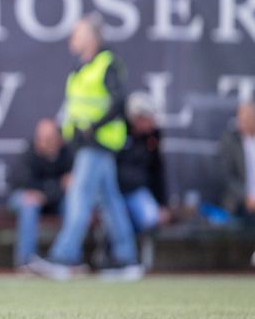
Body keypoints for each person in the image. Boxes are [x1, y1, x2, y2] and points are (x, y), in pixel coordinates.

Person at [29, 16, 142, 281]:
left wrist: (93, 126)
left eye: (77, 34)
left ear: (91, 37)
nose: (72, 39)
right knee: (110, 201)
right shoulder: (81, 66)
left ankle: (63, 256)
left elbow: (119, 101)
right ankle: (128, 259)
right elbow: (74, 105)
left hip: (98, 142)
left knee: (79, 197)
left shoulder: (107, 63)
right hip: (84, 143)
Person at [10, 118, 73, 268]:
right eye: (40, 138)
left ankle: (66, 258)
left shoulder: (68, 155)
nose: (43, 142)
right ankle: (27, 261)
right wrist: (54, 187)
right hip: (24, 197)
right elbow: (22, 182)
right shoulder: (29, 152)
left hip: (54, 200)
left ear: (59, 139)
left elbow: (70, 185)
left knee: (73, 205)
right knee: (29, 204)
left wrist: (46, 193)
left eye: (48, 138)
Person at [116, 93, 169, 237]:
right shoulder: (117, 133)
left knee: (151, 218)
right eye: (148, 119)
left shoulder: (153, 138)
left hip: (138, 191)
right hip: (114, 193)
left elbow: (157, 171)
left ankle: (141, 255)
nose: (152, 123)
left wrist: (162, 204)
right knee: (115, 219)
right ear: (136, 118)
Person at [217, 101, 255, 224]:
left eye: (248, 118)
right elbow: (225, 176)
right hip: (238, 204)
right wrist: (247, 197)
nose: (242, 122)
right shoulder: (229, 140)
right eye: (240, 118)